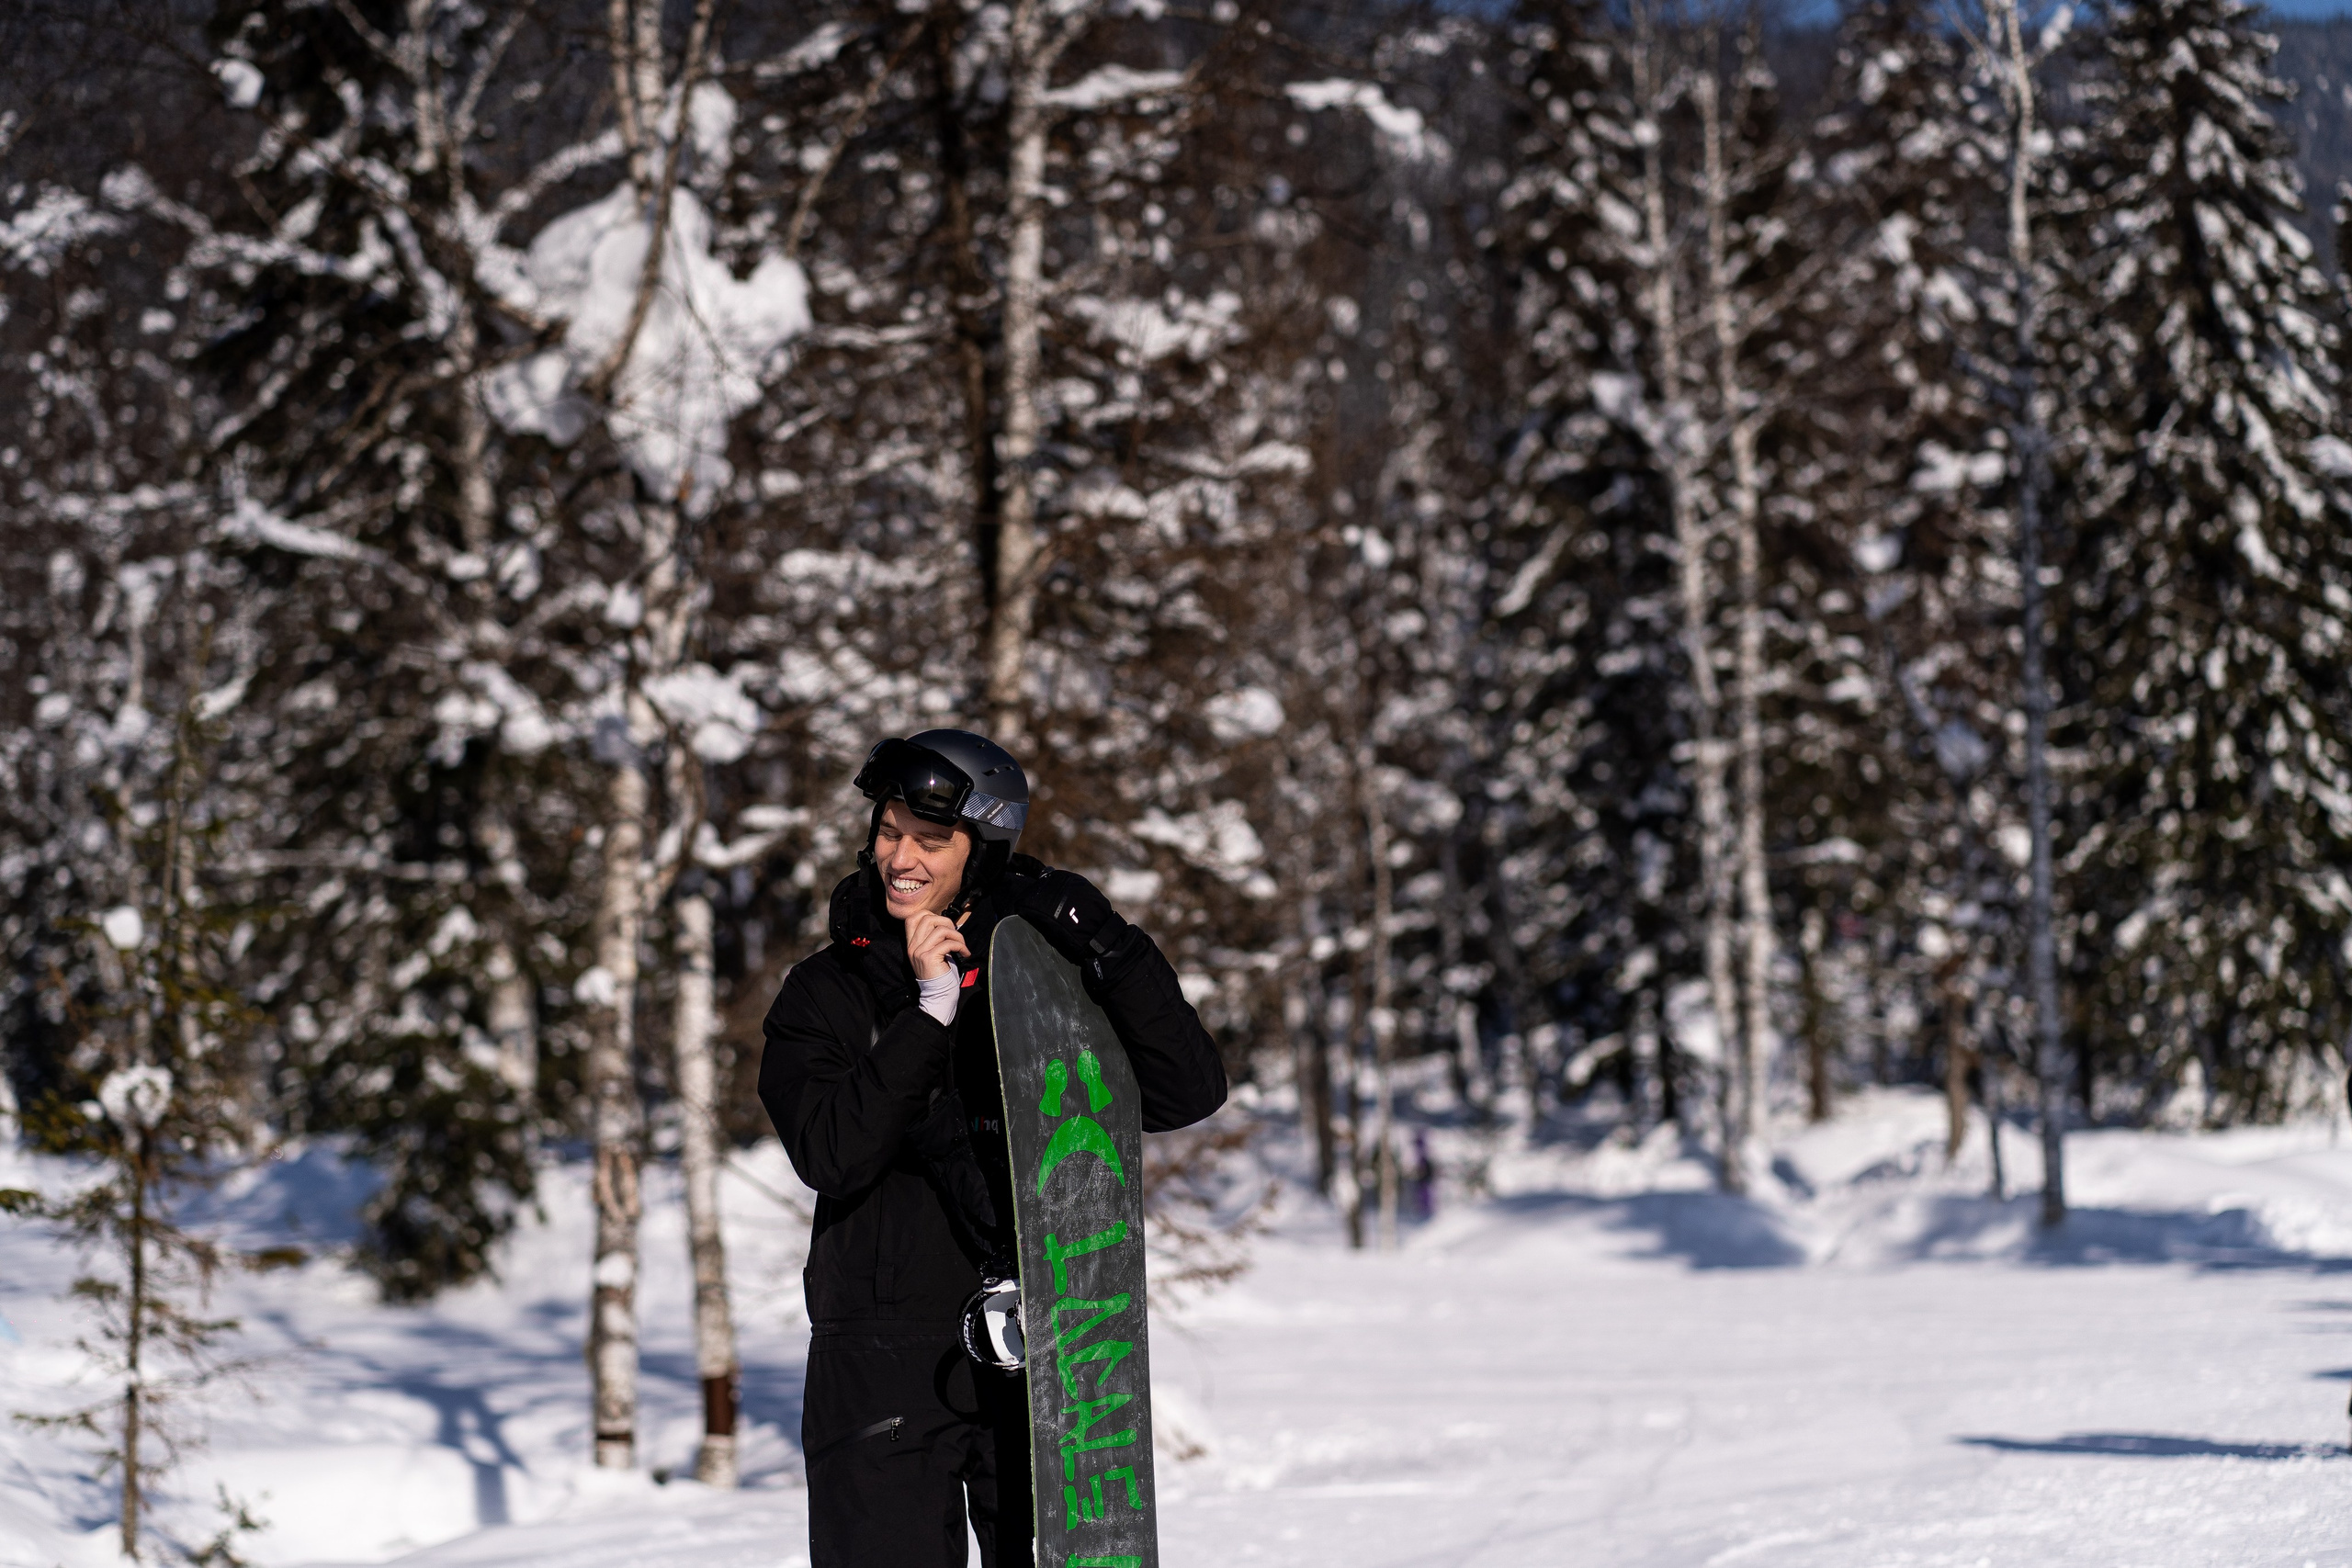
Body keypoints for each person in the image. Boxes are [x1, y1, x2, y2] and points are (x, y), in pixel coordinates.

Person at [758, 730, 1227, 1568]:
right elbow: (833, 1152)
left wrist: (1109, 945)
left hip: (1048, 1342)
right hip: (882, 1358)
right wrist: (929, 1012)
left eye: (929, 840)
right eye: (889, 830)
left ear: (982, 851)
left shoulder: (1041, 986)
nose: (900, 857)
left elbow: (1184, 1091)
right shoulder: (824, 993)